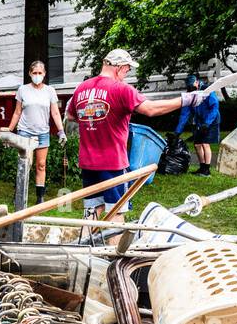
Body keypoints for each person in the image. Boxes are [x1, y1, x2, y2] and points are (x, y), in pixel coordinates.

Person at [65, 48, 209, 221]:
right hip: (113, 163)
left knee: (91, 211)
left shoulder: (82, 88)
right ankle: (113, 248)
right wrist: (186, 100)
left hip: (88, 163)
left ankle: (87, 245)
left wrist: (93, 117)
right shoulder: (121, 89)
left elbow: (71, 115)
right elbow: (150, 109)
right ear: (119, 67)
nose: (127, 73)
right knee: (116, 212)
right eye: (127, 69)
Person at [6, 60, 64, 203]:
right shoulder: (22, 90)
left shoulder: (50, 91)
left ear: (44, 74)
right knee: (26, 163)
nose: (37, 75)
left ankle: (40, 197)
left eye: (40, 73)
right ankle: (19, 193)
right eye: (34, 73)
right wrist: (9, 131)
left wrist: (61, 131)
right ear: (30, 74)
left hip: (42, 133)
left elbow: (55, 113)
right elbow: (17, 112)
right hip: (25, 132)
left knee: (41, 164)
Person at [173, 73, 220, 176]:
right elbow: (184, 114)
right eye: (189, 88)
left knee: (205, 143)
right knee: (197, 144)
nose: (192, 89)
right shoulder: (190, 94)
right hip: (200, 121)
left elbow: (214, 106)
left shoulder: (207, 90)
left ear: (197, 82)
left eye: (193, 86)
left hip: (211, 120)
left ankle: (207, 171)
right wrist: (177, 132)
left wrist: (207, 123)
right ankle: (202, 168)